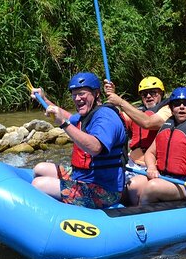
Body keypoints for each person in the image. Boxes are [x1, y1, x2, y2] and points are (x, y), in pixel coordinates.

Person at [29, 72, 127, 209]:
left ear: (97, 93)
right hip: (85, 177)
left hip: (105, 190)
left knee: (39, 184)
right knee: (40, 168)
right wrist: (44, 99)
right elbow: (68, 116)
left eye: (82, 93)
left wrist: (63, 124)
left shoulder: (106, 116)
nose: (77, 98)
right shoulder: (87, 114)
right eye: (74, 94)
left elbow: (95, 147)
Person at [103, 76, 171, 173]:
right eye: (144, 94)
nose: (148, 96)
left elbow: (148, 123)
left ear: (161, 93)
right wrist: (110, 97)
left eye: (153, 92)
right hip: (133, 163)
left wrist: (121, 102)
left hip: (155, 166)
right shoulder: (138, 112)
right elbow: (116, 120)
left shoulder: (168, 110)